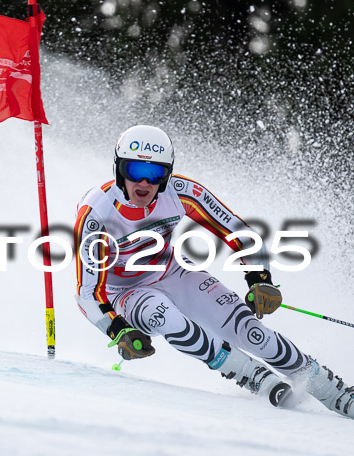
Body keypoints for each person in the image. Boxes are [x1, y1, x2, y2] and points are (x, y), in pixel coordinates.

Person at [74, 124, 353, 417]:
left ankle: (337, 393)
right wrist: (118, 330)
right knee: (166, 316)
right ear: (119, 170)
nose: (144, 182)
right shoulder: (97, 213)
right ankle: (253, 376)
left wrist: (259, 278)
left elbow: (236, 230)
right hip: (126, 293)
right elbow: (87, 293)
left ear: (166, 175)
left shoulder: (181, 192)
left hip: (173, 272)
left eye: (155, 173)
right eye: (134, 170)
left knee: (251, 331)